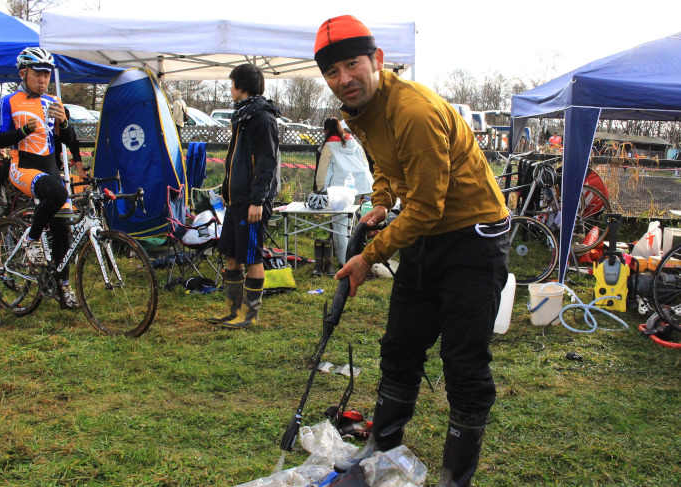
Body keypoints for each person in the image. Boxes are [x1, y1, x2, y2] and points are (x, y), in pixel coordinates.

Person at [314, 15, 510, 486]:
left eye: (352, 65)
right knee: (400, 345)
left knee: (463, 362)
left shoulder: (414, 111)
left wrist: (368, 255)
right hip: (428, 233)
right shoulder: (359, 112)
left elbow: (425, 205)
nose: (343, 79)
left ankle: (453, 477)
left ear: (377, 60)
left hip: (473, 235)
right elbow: (385, 162)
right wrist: (381, 202)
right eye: (331, 72)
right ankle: (380, 449)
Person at [0, 47, 80, 309]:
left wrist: (64, 122)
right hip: (23, 168)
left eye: (46, 74)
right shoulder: (8, 101)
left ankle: (62, 286)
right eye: (37, 74)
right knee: (59, 194)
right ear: (24, 73)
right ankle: (31, 241)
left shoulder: (53, 102)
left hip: (50, 170)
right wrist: (22, 130)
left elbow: (69, 140)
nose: (43, 80)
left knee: (63, 230)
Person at [208, 64, 280, 329]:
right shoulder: (242, 116)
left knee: (252, 257)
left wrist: (257, 201)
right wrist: (227, 189)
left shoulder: (262, 118)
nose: (230, 88)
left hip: (253, 201)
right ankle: (233, 310)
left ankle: (249, 316)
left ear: (242, 85)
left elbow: (267, 163)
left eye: (232, 83)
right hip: (236, 199)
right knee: (230, 254)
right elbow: (235, 160)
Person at [314, 117, 373, 270]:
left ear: (326, 130)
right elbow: (365, 165)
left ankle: (344, 261)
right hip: (358, 186)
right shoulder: (354, 143)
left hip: (339, 190)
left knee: (339, 225)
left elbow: (323, 173)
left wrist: (321, 190)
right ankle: (353, 255)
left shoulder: (329, 147)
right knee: (350, 222)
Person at [54, 106, 87, 181]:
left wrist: (80, 172)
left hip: (55, 166)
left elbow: (75, 152)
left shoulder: (69, 132)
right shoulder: (47, 130)